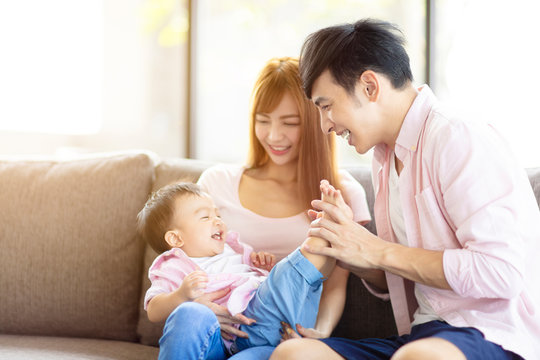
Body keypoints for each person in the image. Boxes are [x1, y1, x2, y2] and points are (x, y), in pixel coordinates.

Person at [270, 19, 540, 360]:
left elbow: (502, 273)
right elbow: (401, 273)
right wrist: (348, 247)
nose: (325, 125)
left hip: (493, 333)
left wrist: (376, 250)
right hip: (422, 334)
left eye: (326, 106)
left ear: (369, 86)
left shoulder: (457, 137)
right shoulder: (385, 158)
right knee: (294, 354)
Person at [154, 57, 371, 360]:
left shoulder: (342, 192)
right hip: (217, 330)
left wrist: (317, 335)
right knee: (191, 318)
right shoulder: (218, 182)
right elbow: (185, 260)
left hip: (276, 338)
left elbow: (337, 281)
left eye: (289, 123)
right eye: (263, 120)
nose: (273, 136)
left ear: (316, 120)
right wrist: (196, 306)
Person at [138, 180, 342, 357]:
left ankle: (318, 241)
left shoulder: (230, 249)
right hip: (231, 340)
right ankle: (316, 243)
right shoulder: (173, 265)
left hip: (270, 322)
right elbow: (154, 311)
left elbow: (258, 281)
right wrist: (181, 295)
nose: (217, 220)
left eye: (217, 214)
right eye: (205, 217)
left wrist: (263, 267)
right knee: (189, 313)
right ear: (175, 238)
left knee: (281, 275)